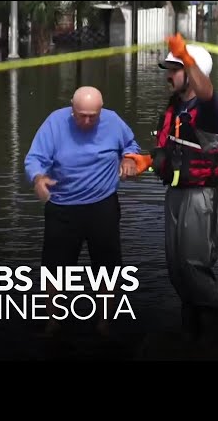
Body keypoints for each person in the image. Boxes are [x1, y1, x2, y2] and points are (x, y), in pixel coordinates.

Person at [126, 33, 218, 346]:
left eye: (174, 69)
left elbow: (207, 93)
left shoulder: (212, 111)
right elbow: (172, 152)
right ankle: (190, 327)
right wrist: (148, 160)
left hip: (201, 196)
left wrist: (187, 58)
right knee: (176, 266)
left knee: (194, 264)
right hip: (175, 193)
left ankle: (212, 334)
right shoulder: (175, 110)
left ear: (191, 72)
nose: (168, 76)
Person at [24, 86, 140, 336]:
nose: (87, 121)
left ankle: (104, 321)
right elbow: (34, 158)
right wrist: (38, 179)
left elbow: (131, 145)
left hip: (103, 205)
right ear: (71, 109)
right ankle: (54, 321)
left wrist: (129, 159)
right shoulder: (55, 123)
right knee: (55, 267)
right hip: (63, 206)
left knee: (107, 266)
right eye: (82, 115)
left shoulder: (113, 122)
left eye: (93, 116)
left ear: (101, 110)